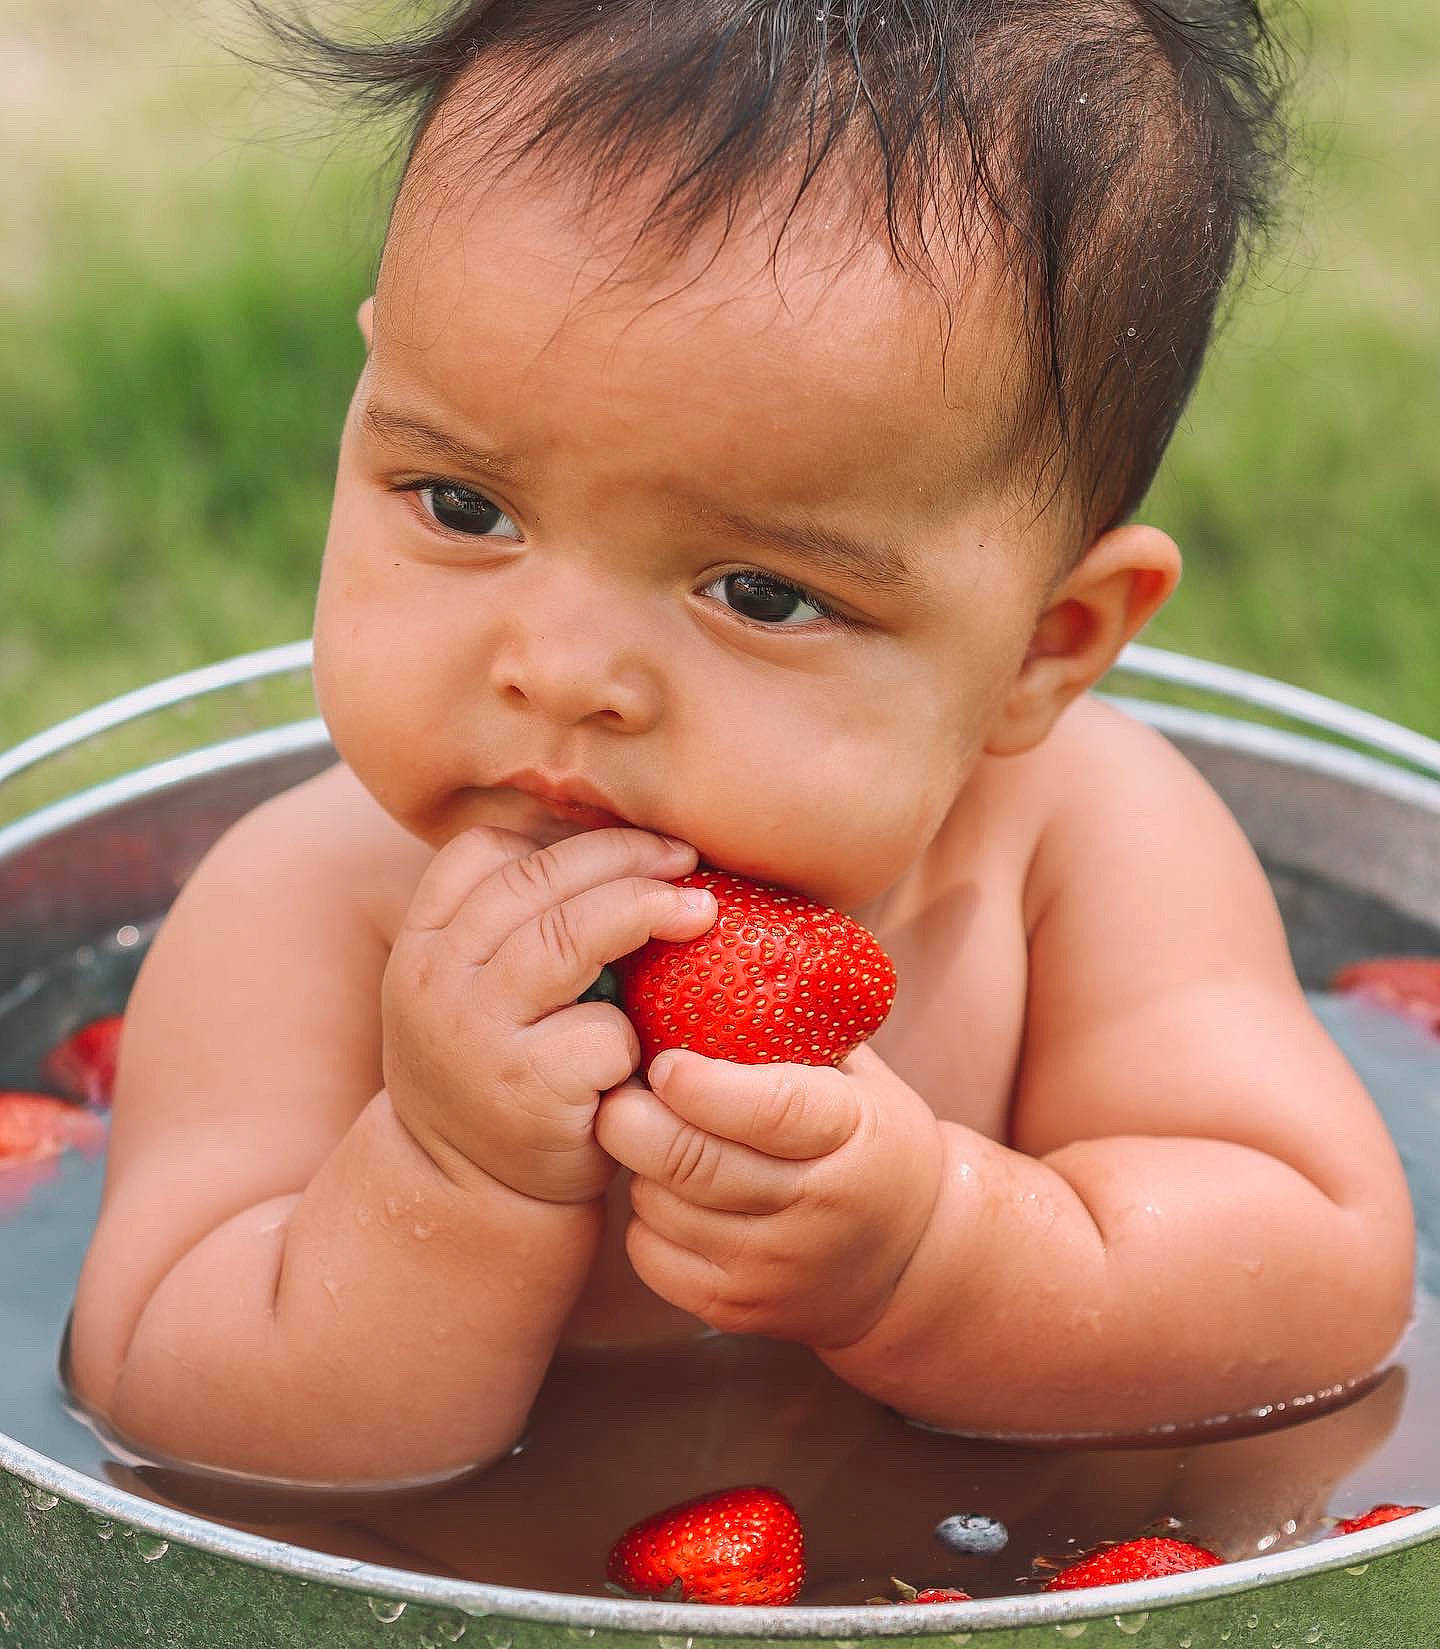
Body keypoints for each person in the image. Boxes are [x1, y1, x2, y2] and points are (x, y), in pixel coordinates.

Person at [67, 0, 1413, 1492]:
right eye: (461, 503)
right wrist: (445, 1182)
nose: (563, 674)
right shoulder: (304, 910)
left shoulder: (1087, 844)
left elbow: (1328, 1288)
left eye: (762, 593)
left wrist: (943, 1255)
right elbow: (150, 1399)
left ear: (1048, 646)